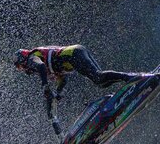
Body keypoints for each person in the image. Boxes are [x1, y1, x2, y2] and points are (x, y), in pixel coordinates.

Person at [14, 45, 152, 137]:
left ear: (22, 60)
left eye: (20, 67)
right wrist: (58, 93)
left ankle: (133, 78)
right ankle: (130, 79)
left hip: (73, 54)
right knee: (100, 81)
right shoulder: (48, 66)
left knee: (98, 77)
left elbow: (41, 68)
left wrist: (45, 87)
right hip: (76, 52)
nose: (24, 70)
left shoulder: (32, 57)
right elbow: (63, 79)